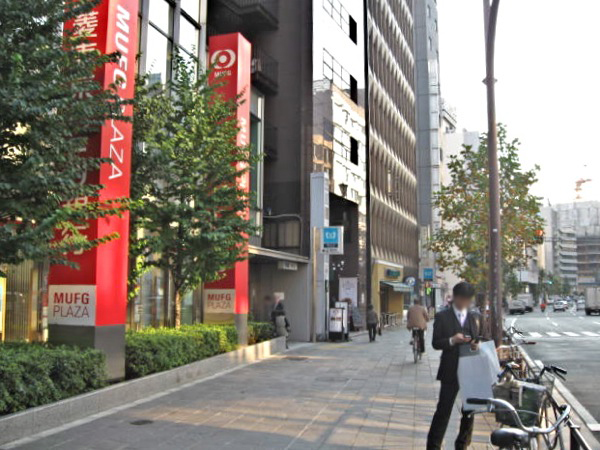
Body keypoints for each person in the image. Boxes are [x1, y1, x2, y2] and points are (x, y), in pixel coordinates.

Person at [427, 281, 480, 450]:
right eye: (463, 299)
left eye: (468, 300)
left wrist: (475, 344)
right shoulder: (443, 317)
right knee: (443, 411)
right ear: (456, 298)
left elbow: (477, 337)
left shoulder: (472, 317)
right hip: (450, 370)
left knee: (469, 410)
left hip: (469, 369)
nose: (466, 303)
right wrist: (452, 340)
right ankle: (433, 446)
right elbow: (436, 343)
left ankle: (462, 444)